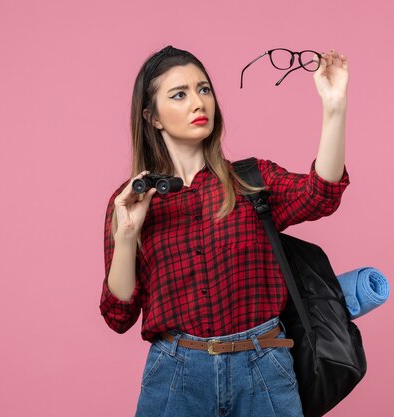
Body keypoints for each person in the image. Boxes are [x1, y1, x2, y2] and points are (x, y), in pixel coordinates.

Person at [99, 45, 351, 417]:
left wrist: (335, 108)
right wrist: (125, 237)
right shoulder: (132, 202)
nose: (198, 103)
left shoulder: (251, 180)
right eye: (179, 94)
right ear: (152, 117)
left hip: (262, 366)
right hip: (175, 374)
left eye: (204, 89)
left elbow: (321, 194)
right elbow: (119, 316)